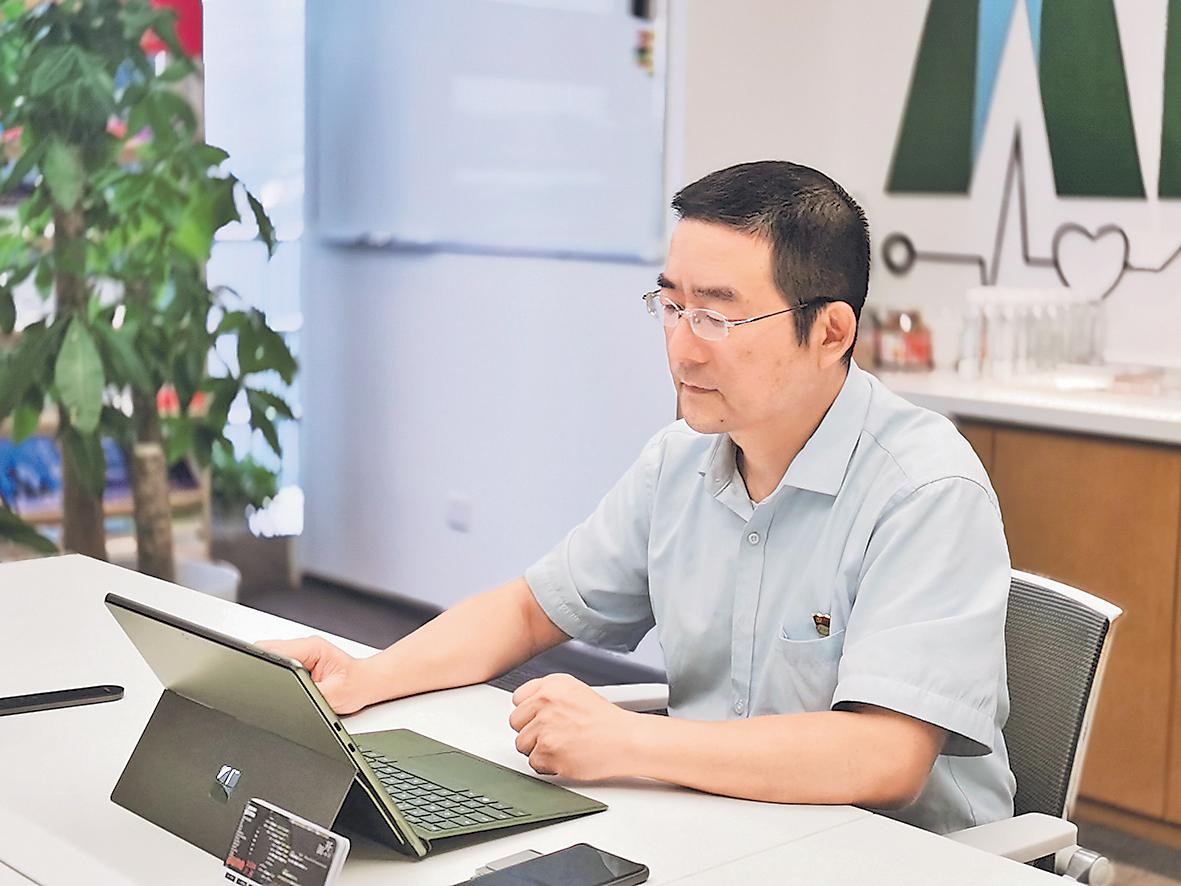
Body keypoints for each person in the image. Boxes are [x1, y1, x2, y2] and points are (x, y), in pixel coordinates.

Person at [264, 161, 1015, 834]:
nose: (682, 347)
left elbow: (885, 756)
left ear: (830, 332)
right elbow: (529, 610)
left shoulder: (924, 489)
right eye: (671, 306)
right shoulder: (680, 461)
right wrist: (365, 676)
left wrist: (630, 741)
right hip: (725, 825)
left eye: (716, 316)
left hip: (898, 854)